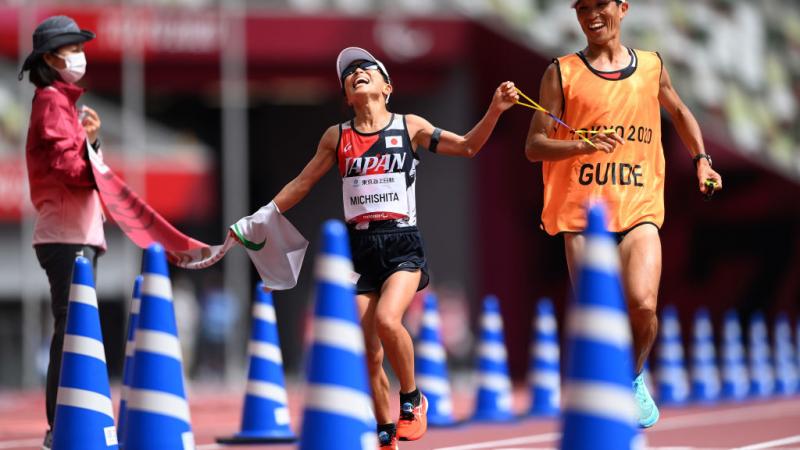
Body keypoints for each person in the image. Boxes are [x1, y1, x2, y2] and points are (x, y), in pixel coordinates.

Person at [267, 47, 517, 449]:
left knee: (388, 320)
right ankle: (386, 433)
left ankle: (413, 398)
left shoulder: (409, 126)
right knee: (367, 351)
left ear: (388, 87)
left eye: (367, 69)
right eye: (349, 74)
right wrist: (265, 215)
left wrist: (496, 108)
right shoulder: (337, 136)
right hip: (358, 248)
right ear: (347, 96)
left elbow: (468, 146)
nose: (357, 73)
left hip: (401, 242)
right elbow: (302, 183)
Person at [524, 0, 722, 428]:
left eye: (600, 6)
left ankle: (630, 378)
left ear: (623, 8)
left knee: (643, 305)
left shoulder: (651, 66)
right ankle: (604, 388)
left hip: (639, 206)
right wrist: (582, 144)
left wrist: (702, 160)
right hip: (582, 215)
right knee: (602, 313)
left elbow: (681, 112)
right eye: (583, 9)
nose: (592, 16)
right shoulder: (561, 72)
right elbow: (534, 145)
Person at [18, 15, 104, 450]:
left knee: (75, 332)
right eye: (71, 48)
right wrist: (97, 168)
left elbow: (74, 161)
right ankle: (62, 427)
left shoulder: (60, 104)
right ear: (51, 58)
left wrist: (90, 142)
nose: (79, 56)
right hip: (65, 236)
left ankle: (70, 424)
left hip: (75, 233)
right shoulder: (51, 101)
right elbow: (68, 168)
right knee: (71, 333)